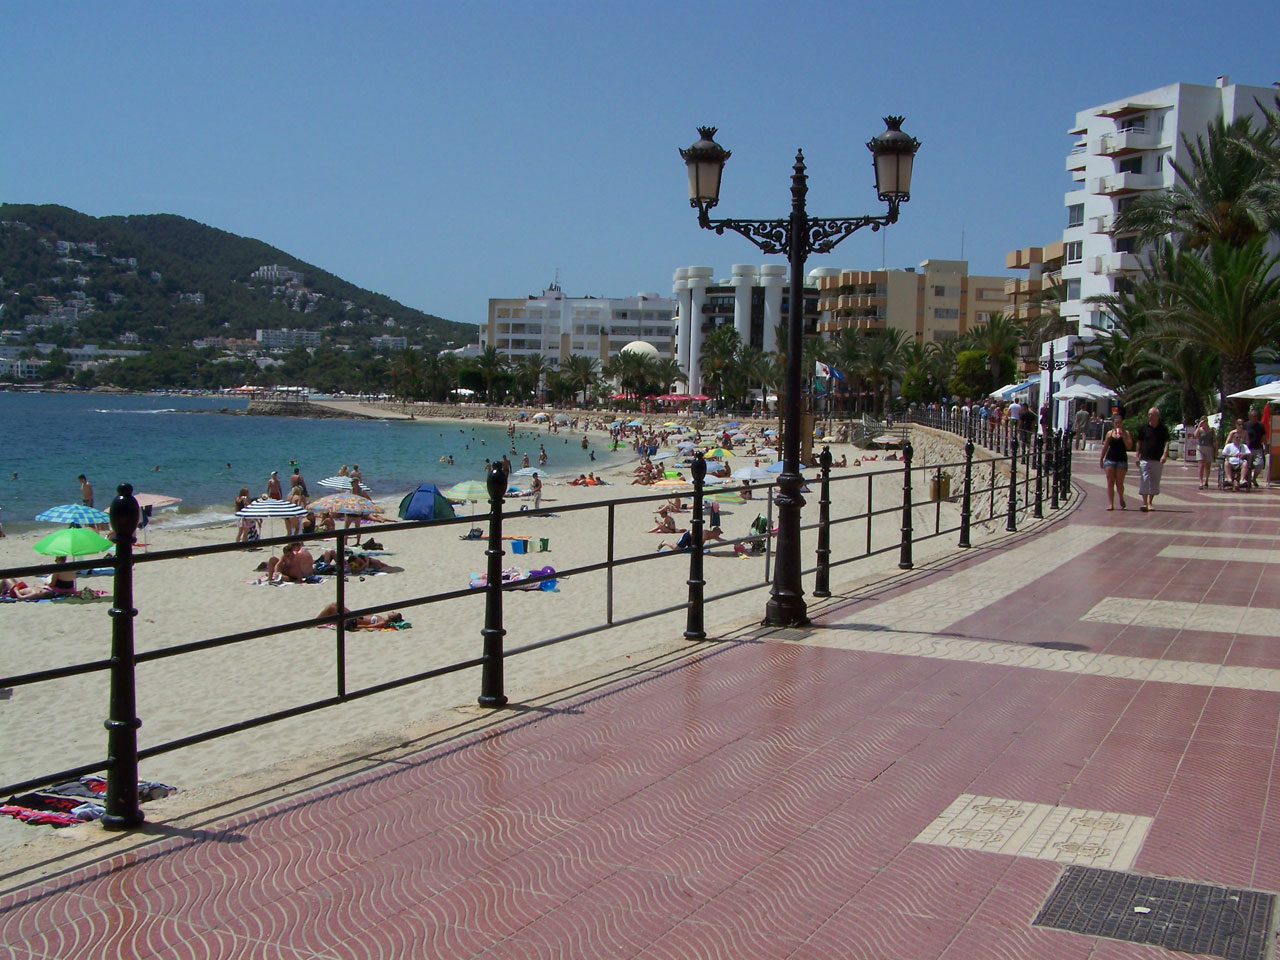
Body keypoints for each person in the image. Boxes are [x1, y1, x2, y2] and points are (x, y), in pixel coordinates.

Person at [1135, 407, 1170, 512]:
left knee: (1155, 481)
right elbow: (1139, 442)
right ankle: (1144, 503)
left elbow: (1167, 442)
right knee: (1144, 479)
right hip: (1145, 458)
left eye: (1152, 414)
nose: (1150, 416)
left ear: (1157, 416)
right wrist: (1138, 455)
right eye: (1149, 414)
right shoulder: (1144, 428)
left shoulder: (1163, 429)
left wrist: (1164, 455)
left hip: (1157, 459)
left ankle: (1150, 502)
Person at [3, 555, 77, 599]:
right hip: (69, 590)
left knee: (6, 578)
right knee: (12, 577)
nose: (55, 561)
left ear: (59, 559)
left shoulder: (57, 570)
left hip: (20, 591)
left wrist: (45, 585)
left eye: (56, 559)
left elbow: (52, 585)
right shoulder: (71, 568)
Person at [1099, 413, 1132, 511]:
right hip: (1110, 459)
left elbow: (1129, 446)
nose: (1118, 425)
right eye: (1117, 423)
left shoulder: (1126, 433)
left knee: (1119, 483)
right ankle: (1110, 503)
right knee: (1110, 482)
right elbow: (1105, 446)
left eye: (1120, 423)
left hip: (1121, 460)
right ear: (1113, 423)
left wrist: (1124, 436)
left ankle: (1121, 498)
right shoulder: (1109, 433)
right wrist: (1101, 458)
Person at [317, 602, 405, 631]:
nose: (393, 611)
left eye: (394, 613)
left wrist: (358, 626)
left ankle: (314, 622)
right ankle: (321, 620)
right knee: (335, 604)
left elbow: (368, 626)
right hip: (354, 616)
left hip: (352, 620)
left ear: (392, 618)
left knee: (331, 607)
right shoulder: (381, 618)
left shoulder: (382, 622)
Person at [1243, 409, 1267, 488]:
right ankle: (1247, 480)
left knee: (1259, 464)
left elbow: (1264, 437)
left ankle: (1254, 478)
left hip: (1258, 448)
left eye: (1256, 416)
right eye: (1253, 416)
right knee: (1247, 465)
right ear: (1250, 417)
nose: (1255, 418)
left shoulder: (1260, 425)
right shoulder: (1245, 425)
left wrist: (1266, 447)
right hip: (1248, 449)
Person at [1194, 416, 1216, 489]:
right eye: (1203, 421)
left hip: (1209, 448)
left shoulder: (1211, 430)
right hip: (1200, 448)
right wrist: (1199, 425)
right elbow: (1195, 435)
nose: (1204, 423)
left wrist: (1216, 449)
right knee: (1201, 465)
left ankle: (1206, 480)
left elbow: (1215, 440)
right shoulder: (1199, 430)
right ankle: (1200, 482)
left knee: (1207, 466)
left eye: (1205, 421)